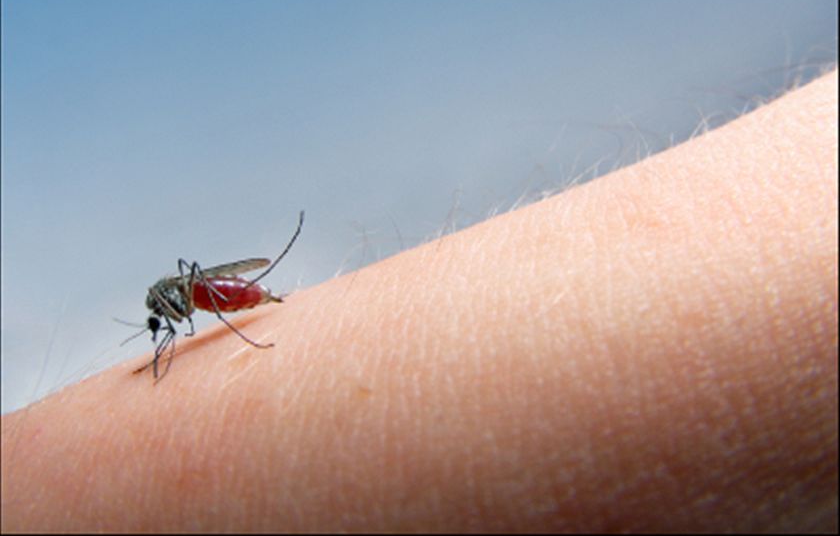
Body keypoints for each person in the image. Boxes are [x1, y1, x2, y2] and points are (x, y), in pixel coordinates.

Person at [2, 69, 836, 532]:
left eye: (160, 329)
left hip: (220, 290)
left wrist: (226, 319)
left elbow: (183, 294)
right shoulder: (165, 308)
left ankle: (260, 298)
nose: (161, 333)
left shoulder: (178, 302)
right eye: (162, 330)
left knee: (204, 287)